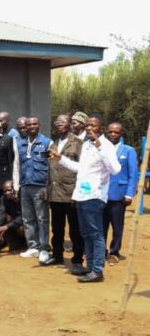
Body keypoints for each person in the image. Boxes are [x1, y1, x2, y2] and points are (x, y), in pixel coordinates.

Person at [50, 116, 121, 282]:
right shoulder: (87, 145)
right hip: (81, 195)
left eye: (93, 126)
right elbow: (80, 168)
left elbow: (115, 169)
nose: (89, 128)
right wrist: (60, 159)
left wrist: (100, 147)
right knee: (86, 234)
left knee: (95, 234)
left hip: (94, 196)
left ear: (100, 128)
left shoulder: (106, 146)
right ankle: (89, 267)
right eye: (88, 125)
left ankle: (97, 270)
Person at [47, 114, 83, 269]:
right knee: (57, 228)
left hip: (71, 192)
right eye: (57, 122)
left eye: (63, 122)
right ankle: (57, 255)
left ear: (70, 125)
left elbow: (83, 167)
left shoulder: (78, 143)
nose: (60, 124)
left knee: (75, 229)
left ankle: (77, 260)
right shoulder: (54, 143)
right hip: (55, 192)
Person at [16, 117, 53, 263]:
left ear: (39, 125)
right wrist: (16, 185)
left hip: (40, 187)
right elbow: (16, 165)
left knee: (42, 218)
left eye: (34, 124)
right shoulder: (19, 143)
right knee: (27, 218)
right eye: (29, 124)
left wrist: (49, 187)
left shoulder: (47, 142)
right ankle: (33, 246)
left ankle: (44, 248)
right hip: (25, 185)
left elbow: (52, 167)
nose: (32, 126)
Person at [103, 122, 138, 265]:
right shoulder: (102, 149)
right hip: (102, 194)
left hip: (119, 195)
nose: (112, 134)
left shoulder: (128, 151)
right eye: (110, 132)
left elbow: (133, 174)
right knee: (101, 225)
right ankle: (101, 251)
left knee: (117, 226)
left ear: (121, 134)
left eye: (116, 132)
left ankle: (114, 251)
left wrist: (129, 194)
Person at [0, 180, 27, 252]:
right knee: (5, 220)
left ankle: (27, 244)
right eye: (5, 191)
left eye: (9, 190)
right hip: (14, 223)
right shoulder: (3, 199)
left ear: (14, 189)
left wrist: (7, 226)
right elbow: (1, 213)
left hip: (24, 223)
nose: (7, 193)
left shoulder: (22, 198)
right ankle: (13, 244)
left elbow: (23, 217)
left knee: (18, 227)